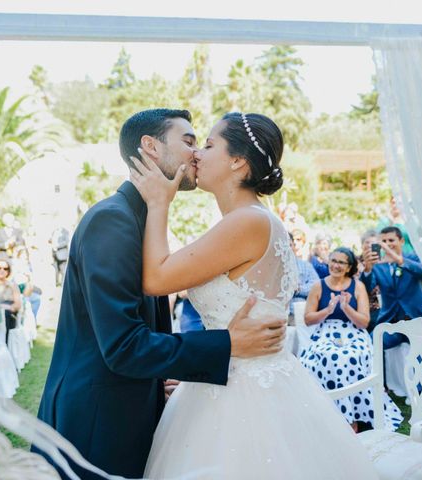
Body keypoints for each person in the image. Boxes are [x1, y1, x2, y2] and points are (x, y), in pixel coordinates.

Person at [33, 109, 288, 479]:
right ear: (150, 148)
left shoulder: (144, 220)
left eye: (204, 144)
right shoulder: (113, 220)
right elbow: (123, 345)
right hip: (97, 422)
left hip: (132, 411)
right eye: (188, 141)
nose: (196, 153)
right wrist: (226, 345)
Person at [128, 111, 378, 479]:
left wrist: (158, 204)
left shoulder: (248, 222)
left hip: (245, 398)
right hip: (230, 376)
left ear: (238, 161)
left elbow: (157, 278)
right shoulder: (252, 220)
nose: (197, 153)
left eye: (209, 145)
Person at [300, 248, 402, 431]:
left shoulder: (358, 286)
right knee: (326, 356)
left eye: (341, 262)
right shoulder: (318, 286)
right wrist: (328, 311)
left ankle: (353, 417)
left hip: (354, 333)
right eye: (333, 260)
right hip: (326, 332)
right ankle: (329, 412)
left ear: (348, 267)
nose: (336, 265)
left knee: (350, 357)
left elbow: (364, 322)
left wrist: (346, 308)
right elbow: (308, 319)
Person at [361, 226, 422, 350]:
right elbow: (367, 288)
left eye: (391, 240)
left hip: (418, 319)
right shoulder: (378, 264)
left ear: (402, 241)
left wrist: (399, 260)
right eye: (384, 242)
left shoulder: (412, 257)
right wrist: (367, 268)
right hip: (391, 323)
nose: (387, 245)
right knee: (370, 345)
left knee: (421, 353)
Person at [0, 258, 22, 344]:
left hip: (8, 316)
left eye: (5, 269)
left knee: (6, 315)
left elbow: (17, 305)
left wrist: (6, 307)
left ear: (8, 271)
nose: (2, 270)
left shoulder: (13, 286)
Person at [289, 231, 319, 323]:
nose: (288, 249)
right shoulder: (272, 267)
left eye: (290, 245)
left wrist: (298, 289)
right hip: (278, 313)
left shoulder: (305, 265)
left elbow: (316, 285)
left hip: (298, 312)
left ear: (294, 246)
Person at [359, 229, 382, 331]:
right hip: (367, 309)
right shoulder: (355, 263)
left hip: (386, 308)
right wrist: (368, 268)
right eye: (367, 242)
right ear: (362, 246)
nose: (369, 245)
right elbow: (362, 288)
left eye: (373, 243)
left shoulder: (385, 262)